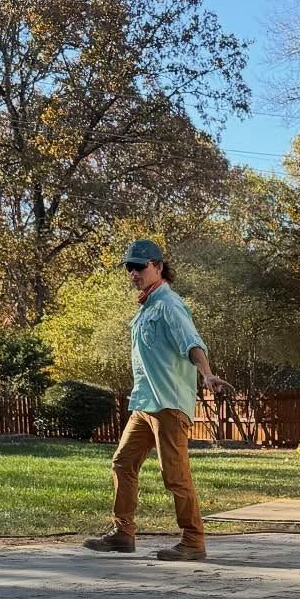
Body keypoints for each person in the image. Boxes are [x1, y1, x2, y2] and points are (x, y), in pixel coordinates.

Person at [85, 239, 228, 561]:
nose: (134, 272)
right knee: (122, 463)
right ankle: (123, 534)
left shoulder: (169, 305)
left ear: (159, 267)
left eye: (140, 266)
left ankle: (193, 541)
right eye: (130, 268)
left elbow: (192, 342)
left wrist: (206, 374)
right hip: (145, 403)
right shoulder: (147, 307)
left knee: (175, 475)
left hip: (169, 405)